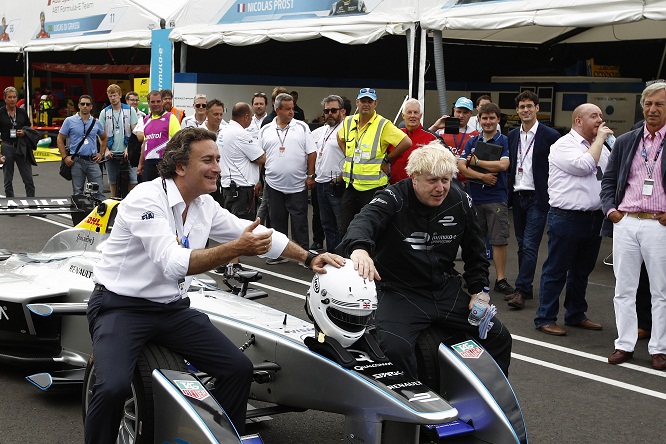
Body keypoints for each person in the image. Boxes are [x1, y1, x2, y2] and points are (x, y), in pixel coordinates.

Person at [84, 127, 344, 444]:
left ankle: (219, 437)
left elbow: (257, 236)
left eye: (218, 159)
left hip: (170, 310)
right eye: (208, 160)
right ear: (180, 166)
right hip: (121, 307)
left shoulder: (205, 204)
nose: (218, 168)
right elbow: (173, 262)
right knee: (112, 387)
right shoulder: (145, 198)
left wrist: (308, 258)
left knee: (237, 369)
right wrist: (236, 249)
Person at [337, 140, 512, 378]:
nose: (440, 188)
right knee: (395, 349)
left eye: (446, 180)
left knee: (499, 337)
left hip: (444, 289)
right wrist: (359, 249)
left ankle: (488, 406)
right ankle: (410, 412)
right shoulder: (393, 197)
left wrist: (478, 291)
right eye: (432, 181)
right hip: (400, 291)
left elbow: (476, 252)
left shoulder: (460, 201)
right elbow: (362, 222)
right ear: (414, 178)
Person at [600, 82, 666, 369]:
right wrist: (612, 211)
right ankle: (624, 344)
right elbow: (609, 180)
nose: (652, 109)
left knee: (660, 290)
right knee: (624, 288)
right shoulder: (627, 140)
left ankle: (659, 348)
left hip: (659, 224)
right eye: (649, 104)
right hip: (626, 222)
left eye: (660, 104)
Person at [534, 103, 611, 336]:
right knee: (556, 270)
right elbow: (585, 165)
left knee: (582, 271)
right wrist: (600, 140)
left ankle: (576, 314)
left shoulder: (603, 147)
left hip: (594, 218)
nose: (600, 120)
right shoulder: (562, 145)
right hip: (567, 218)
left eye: (600, 115)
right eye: (594, 116)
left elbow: (610, 175)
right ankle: (545, 318)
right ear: (578, 121)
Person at [504, 91, 561, 309]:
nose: (525, 110)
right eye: (521, 107)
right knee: (521, 245)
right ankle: (525, 288)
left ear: (537, 108)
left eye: (529, 106)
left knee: (529, 245)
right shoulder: (512, 135)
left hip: (538, 197)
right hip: (518, 196)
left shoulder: (551, 136)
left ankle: (521, 289)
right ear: (517, 111)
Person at [337, 88, 411, 237]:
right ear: (357, 102)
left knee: (370, 228)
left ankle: (370, 259)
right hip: (350, 185)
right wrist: (346, 153)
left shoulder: (383, 124)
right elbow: (339, 137)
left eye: (369, 102)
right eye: (363, 101)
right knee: (345, 228)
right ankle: (346, 258)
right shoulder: (349, 121)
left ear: (375, 104)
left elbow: (406, 142)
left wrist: (387, 159)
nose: (366, 104)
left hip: (372, 188)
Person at [457, 102, 514, 297]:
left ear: (498, 120)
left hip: (496, 197)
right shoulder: (472, 141)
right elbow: (462, 167)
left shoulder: (503, 140)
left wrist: (478, 163)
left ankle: (500, 279)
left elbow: (503, 165)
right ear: (479, 120)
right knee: (476, 240)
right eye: (484, 118)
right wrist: (482, 176)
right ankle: (478, 276)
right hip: (475, 197)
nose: (488, 122)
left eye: (492, 118)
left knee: (498, 240)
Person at [259, 93, 317, 263]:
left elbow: (311, 153)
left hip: (298, 184)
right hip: (273, 184)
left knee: (300, 221)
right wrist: (258, 180)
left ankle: (303, 254)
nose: (292, 112)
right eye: (288, 109)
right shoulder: (265, 130)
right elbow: (259, 156)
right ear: (277, 110)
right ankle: (279, 254)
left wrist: (310, 175)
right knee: (277, 220)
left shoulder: (302, 127)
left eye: (293, 108)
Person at [217, 102, 266, 269]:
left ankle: (226, 260)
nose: (251, 120)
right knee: (239, 227)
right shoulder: (241, 134)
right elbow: (260, 158)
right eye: (250, 117)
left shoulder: (224, 131)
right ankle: (233, 263)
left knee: (228, 225)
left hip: (228, 185)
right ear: (245, 117)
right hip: (241, 187)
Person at [312, 94, 347, 253]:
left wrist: (341, 177)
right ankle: (332, 255)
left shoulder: (346, 129)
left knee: (341, 225)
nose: (330, 114)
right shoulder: (322, 130)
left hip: (337, 184)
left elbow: (352, 156)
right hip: (320, 183)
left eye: (334, 110)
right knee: (326, 224)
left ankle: (342, 258)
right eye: (327, 111)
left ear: (343, 111)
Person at [57, 96, 107, 200]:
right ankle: (79, 216)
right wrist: (65, 157)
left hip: (92, 161)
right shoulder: (69, 121)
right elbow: (60, 139)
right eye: (83, 104)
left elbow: (104, 138)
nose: (85, 106)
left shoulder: (96, 122)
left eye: (87, 104)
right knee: (78, 193)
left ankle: (99, 215)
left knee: (98, 192)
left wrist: (101, 154)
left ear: (91, 107)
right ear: (79, 105)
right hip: (77, 161)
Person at [98, 84, 139, 197]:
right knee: (112, 181)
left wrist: (129, 149)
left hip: (127, 151)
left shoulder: (130, 110)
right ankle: (114, 202)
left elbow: (135, 132)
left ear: (120, 95)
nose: (113, 98)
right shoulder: (104, 113)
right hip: (111, 151)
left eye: (115, 95)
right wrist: (105, 150)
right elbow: (100, 134)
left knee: (133, 181)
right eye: (110, 96)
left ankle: (133, 202)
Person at [389, 98, 439, 184]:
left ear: (420, 115)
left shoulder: (432, 139)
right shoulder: (394, 135)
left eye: (415, 112)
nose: (412, 116)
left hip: (420, 188)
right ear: (403, 116)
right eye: (409, 112)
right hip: (396, 187)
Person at [137, 90, 180, 181]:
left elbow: (178, 142)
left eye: (158, 101)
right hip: (148, 164)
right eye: (153, 102)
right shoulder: (146, 119)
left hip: (165, 163)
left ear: (162, 102)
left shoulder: (170, 117)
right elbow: (145, 143)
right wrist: (141, 164)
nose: (155, 104)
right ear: (148, 103)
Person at [1, 86, 35, 198]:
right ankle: (10, 203)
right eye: (9, 97)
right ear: (4, 98)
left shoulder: (22, 112)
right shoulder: (0, 113)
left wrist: (24, 133)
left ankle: (32, 205)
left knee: (28, 178)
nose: (12, 99)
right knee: (8, 178)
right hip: (7, 146)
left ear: (17, 98)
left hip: (21, 147)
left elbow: (29, 128)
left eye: (14, 97)